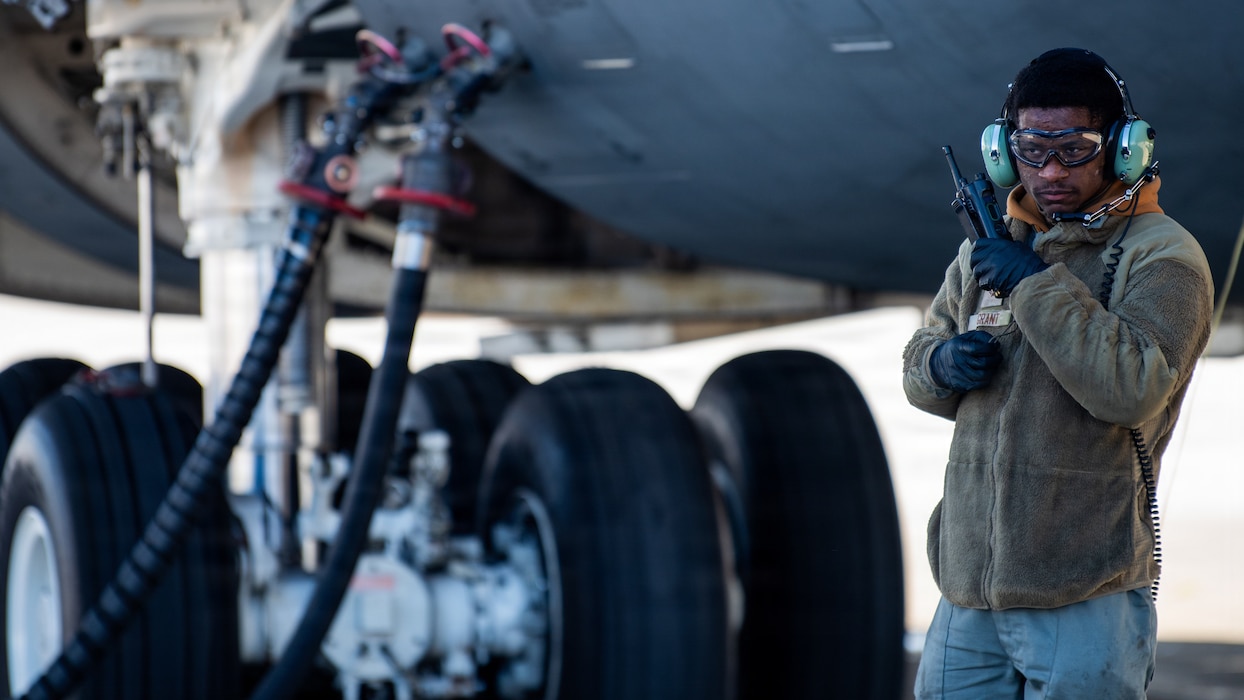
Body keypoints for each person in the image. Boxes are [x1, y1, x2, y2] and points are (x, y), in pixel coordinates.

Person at [902, 48, 1214, 698]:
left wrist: (1037, 287)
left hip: (1082, 592)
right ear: (1000, 151)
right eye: (1030, 148)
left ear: (1124, 149)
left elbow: (1130, 389)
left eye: (1074, 149)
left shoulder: (1161, 256)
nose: (1048, 170)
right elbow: (918, 364)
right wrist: (942, 363)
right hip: (969, 593)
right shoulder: (987, 248)